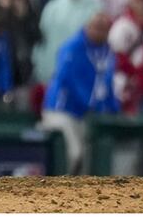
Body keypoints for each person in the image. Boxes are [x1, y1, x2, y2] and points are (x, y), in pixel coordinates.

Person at [39, 12, 121, 174]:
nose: (98, 32)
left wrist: (114, 109)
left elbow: (107, 85)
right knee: (73, 154)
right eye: (95, 27)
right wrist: (92, 105)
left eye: (103, 29)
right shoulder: (72, 47)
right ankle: (56, 194)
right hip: (61, 111)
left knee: (87, 163)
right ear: (87, 27)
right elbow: (67, 79)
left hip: (85, 115)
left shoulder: (107, 52)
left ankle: (80, 198)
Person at [32, 0, 102, 85]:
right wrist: (43, 73)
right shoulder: (52, 6)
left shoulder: (96, 8)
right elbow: (42, 43)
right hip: (54, 77)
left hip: (84, 79)